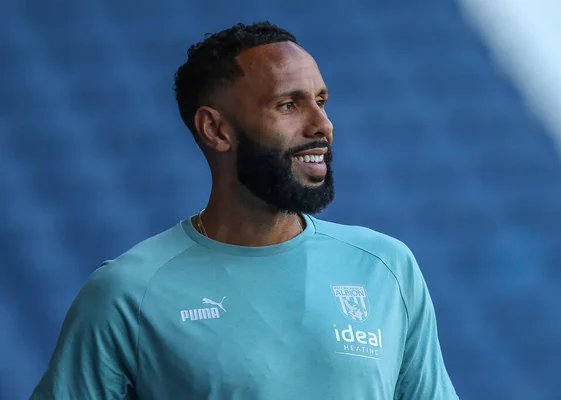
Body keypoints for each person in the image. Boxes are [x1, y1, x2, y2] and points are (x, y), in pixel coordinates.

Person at [30, 21, 458, 400]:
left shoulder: (387, 267)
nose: (321, 125)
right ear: (216, 129)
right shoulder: (126, 293)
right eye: (288, 105)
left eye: (321, 101)